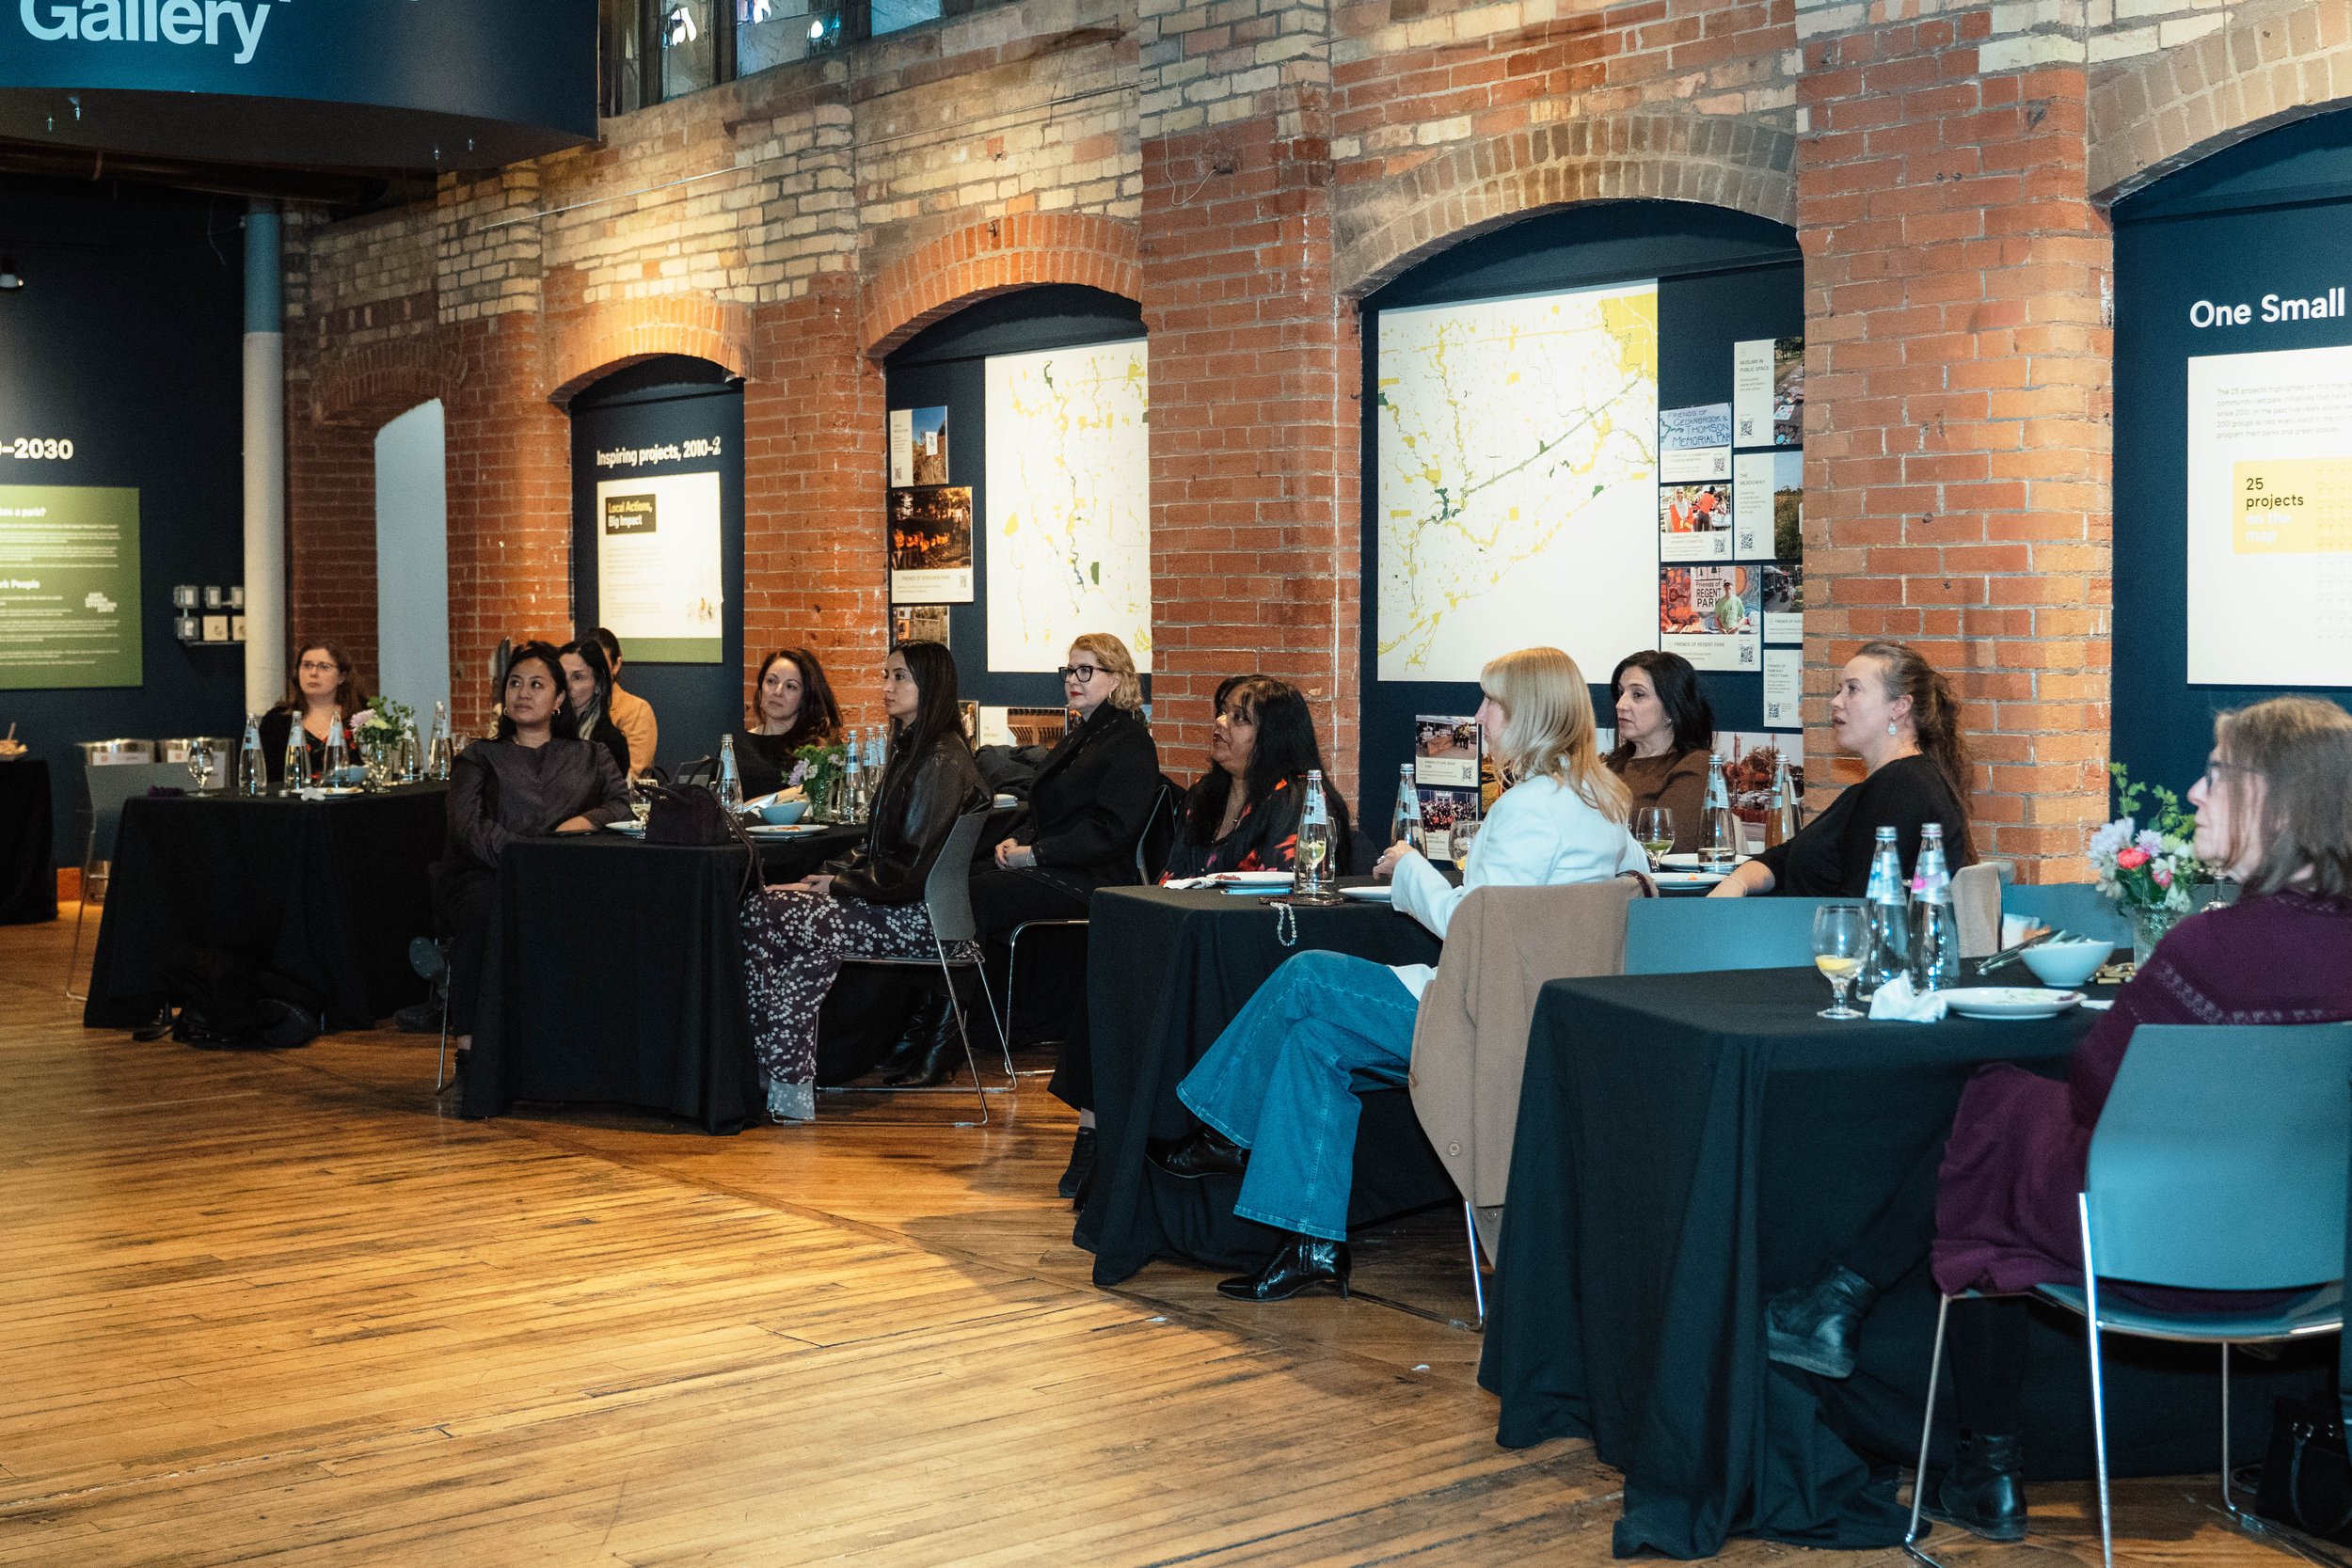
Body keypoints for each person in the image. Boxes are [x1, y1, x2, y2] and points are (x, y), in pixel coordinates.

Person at [1763, 696, 2352, 1543]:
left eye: (2217, 776)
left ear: (2283, 805)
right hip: (2307, 1267)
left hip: (2152, 1255)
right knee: (2001, 1129)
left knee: (1990, 1114)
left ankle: (1982, 1462)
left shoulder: (2208, 952)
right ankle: (1857, 1319)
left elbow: (2095, 1086)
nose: (2192, 792)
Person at [1151, 648, 1647, 1302]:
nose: (1479, 716)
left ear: (1528, 714)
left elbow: (1472, 927)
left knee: (1305, 975)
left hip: (1483, 1018)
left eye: (1491, 703)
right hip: (1542, 1017)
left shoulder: (1527, 809)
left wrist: (1411, 868)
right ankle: (1312, 1244)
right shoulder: (1605, 803)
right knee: (1313, 1042)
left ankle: (1222, 1127)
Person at [882, 636, 1162, 1184]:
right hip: (1058, 866)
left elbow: (1111, 831)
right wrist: (1019, 844)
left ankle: (943, 1036)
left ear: (1118, 677)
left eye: (1086, 671)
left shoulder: (1128, 741)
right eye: (1069, 670)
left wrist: (1037, 852)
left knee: (978, 895)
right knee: (964, 879)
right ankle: (926, 1024)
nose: (1073, 680)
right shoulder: (1085, 734)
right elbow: (1050, 807)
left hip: (1098, 882)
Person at [737, 641, 988, 1123]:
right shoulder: (916, 748)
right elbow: (877, 848)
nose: (886, 687)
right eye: (886, 675)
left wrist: (835, 885)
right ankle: (778, 1075)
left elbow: (907, 870)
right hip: (895, 904)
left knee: (770, 913)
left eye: (899, 678)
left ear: (928, 686)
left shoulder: (939, 759)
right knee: (768, 911)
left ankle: (776, 1075)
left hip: (917, 918)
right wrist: (826, 876)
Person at [432, 642, 631, 1075]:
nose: (522, 693)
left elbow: (622, 806)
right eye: (515, 684)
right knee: (484, 908)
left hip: (568, 873)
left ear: (559, 699)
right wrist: (528, 859)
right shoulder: (478, 756)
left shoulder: (590, 755)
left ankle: (586, 1043)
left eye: (537, 685)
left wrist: (582, 821)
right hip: (490, 872)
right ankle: (472, 1047)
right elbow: (468, 828)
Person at [1710, 640, 1971, 896]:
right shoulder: (1882, 785)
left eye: (1852, 689)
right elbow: (1785, 857)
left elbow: (1859, 904)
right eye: (1839, 689)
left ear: (1899, 707)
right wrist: (1737, 882)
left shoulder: (1901, 785)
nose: (1836, 701)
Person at [1160, 675, 1351, 880]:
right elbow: (1173, 875)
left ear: (1271, 736)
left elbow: (1281, 884)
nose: (1220, 721)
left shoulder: (1297, 798)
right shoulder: (1203, 792)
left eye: (1239, 717)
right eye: (1223, 711)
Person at [1604, 649, 1713, 853]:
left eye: (1638, 694)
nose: (1620, 704)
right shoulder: (1611, 765)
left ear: (1671, 709)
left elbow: (1670, 845)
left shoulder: (1695, 764)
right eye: (1621, 693)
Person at [735, 646, 844, 799]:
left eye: (790, 686)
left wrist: (754, 806)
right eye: (771, 681)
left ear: (805, 698)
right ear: (760, 689)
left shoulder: (821, 745)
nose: (778, 691)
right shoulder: (734, 746)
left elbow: (823, 789)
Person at [258, 640, 365, 784]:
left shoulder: (362, 716)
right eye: (307, 666)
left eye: (324, 667)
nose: (313, 673)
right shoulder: (276, 720)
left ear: (341, 676)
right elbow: (265, 777)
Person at [558, 639, 632, 783]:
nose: (566, 685)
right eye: (561, 676)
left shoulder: (610, 742)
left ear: (598, 684)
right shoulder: (544, 731)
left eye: (577, 677)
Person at [591, 626, 658, 777]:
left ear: (616, 665)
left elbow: (633, 775)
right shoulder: (566, 709)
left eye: (599, 664)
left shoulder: (636, 710)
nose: (592, 671)